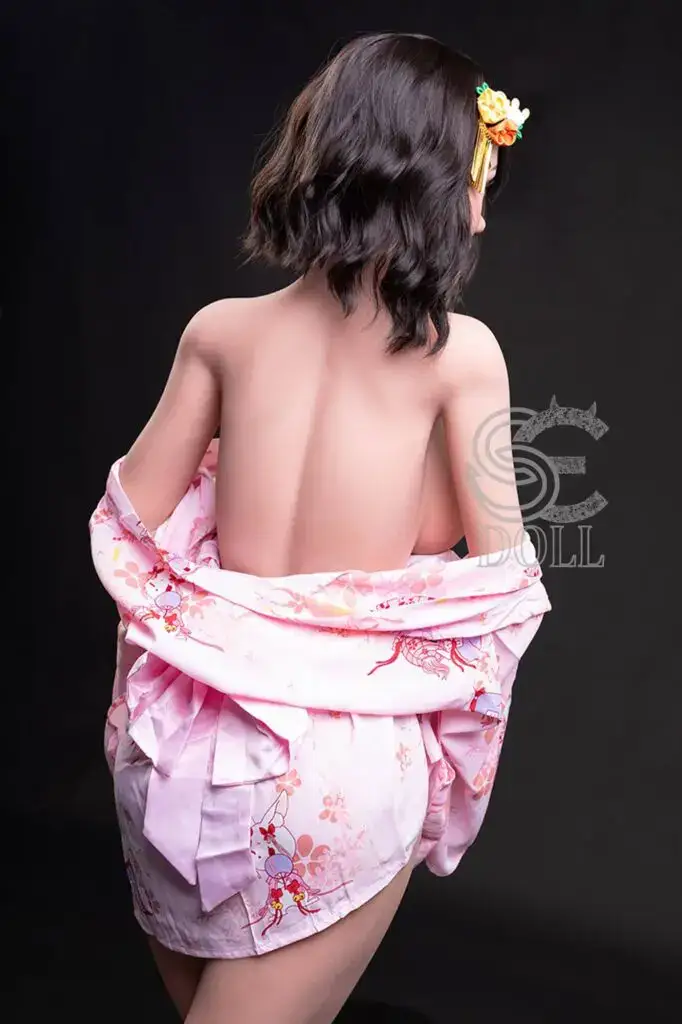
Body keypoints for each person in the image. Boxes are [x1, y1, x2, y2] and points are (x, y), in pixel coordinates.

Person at [90, 32, 547, 1024]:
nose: (482, 206)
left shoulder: (220, 331)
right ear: (433, 179)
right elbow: (503, 584)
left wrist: (197, 620)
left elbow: (128, 528)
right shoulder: (461, 356)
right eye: (478, 176)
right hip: (335, 768)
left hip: (176, 746)